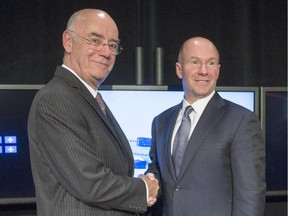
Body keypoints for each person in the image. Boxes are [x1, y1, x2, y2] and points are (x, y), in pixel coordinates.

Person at [28, 9, 158, 216]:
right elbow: (90, 183)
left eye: (113, 45)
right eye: (95, 41)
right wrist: (142, 189)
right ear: (68, 42)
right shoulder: (56, 98)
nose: (106, 52)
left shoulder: (88, 98)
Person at [145, 37, 266, 216]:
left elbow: (250, 196)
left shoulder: (241, 120)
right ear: (179, 69)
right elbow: (160, 171)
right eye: (195, 62)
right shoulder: (161, 121)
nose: (203, 71)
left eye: (210, 64)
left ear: (217, 71)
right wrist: (148, 181)